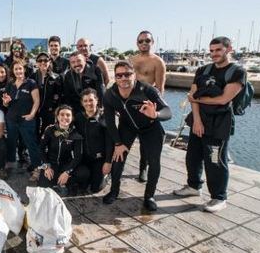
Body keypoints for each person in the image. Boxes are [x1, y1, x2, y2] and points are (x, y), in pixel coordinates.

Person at [173, 37, 246, 213]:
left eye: (218, 50)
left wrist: (196, 98)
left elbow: (224, 99)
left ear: (229, 50)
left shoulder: (237, 72)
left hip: (219, 123)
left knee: (215, 161)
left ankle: (219, 197)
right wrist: (196, 120)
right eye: (211, 50)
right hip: (200, 120)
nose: (214, 54)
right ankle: (193, 186)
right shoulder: (202, 70)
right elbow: (193, 97)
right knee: (193, 156)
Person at [102, 61, 172, 211]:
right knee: (118, 157)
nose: (123, 78)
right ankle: (114, 191)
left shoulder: (147, 90)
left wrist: (156, 114)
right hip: (127, 127)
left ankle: (149, 196)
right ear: (115, 77)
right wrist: (118, 143)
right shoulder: (110, 94)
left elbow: (168, 111)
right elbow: (109, 122)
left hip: (150, 127)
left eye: (127, 74)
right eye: (119, 75)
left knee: (154, 162)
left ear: (134, 75)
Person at [130, 30, 166, 183]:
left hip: (147, 104)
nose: (144, 43)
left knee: (145, 140)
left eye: (147, 41)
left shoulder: (158, 62)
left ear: (152, 42)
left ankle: (143, 167)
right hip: (131, 104)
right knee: (125, 136)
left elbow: (159, 88)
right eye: (141, 41)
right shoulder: (131, 59)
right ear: (137, 43)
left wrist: (154, 109)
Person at [2, 59, 41, 179]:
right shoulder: (10, 84)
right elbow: (6, 104)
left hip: (26, 120)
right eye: (16, 69)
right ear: (13, 71)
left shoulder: (31, 83)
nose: (18, 71)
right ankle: (9, 165)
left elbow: (36, 101)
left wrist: (32, 114)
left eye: (20, 68)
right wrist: (6, 102)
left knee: (31, 144)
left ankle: (37, 169)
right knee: (11, 143)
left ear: (24, 69)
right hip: (12, 119)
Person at [38, 105, 87, 195]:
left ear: (72, 118)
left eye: (68, 115)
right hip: (51, 163)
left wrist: (67, 172)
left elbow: (78, 156)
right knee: (43, 187)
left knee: (84, 172)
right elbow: (41, 148)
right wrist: (46, 166)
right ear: (57, 117)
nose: (65, 117)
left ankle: (65, 182)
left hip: (66, 164)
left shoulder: (75, 133)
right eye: (62, 114)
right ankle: (58, 181)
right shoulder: (50, 130)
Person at [74, 88, 110, 193]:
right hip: (84, 158)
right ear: (82, 103)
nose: (88, 103)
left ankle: (107, 175)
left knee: (96, 188)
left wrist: (108, 162)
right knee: (82, 181)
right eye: (85, 101)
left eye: (91, 100)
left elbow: (109, 142)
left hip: (99, 159)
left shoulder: (104, 117)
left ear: (97, 100)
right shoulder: (78, 117)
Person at [33, 52, 62, 137]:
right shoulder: (32, 77)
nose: (43, 62)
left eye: (45, 60)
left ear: (50, 62)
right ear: (37, 63)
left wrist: (55, 110)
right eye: (40, 60)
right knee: (35, 133)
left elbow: (59, 95)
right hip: (35, 110)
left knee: (47, 133)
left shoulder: (56, 77)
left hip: (50, 111)